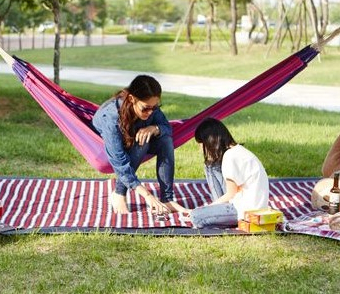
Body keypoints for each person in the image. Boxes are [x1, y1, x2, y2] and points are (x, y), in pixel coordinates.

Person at [92, 74, 188, 215]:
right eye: (145, 108)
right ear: (132, 99)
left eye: (154, 108)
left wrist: (155, 128)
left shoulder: (151, 108)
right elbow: (119, 162)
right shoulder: (111, 118)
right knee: (143, 142)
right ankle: (119, 193)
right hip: (111, 145)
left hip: (133, 140)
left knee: (165, 139)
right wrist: (147, 196)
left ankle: (167, 198)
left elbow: (167, 127)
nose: (150, 112)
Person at [190, 118, 269, 229]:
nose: (200, 149)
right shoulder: (236, 151)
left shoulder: (230, 157)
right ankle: (216, 212)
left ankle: (216, 214)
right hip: (249, 203)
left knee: (196, 216)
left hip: (246, 210)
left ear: (209, 141)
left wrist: (207, 208)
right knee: (209, 165)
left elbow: (231, 194)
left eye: (201, 144)